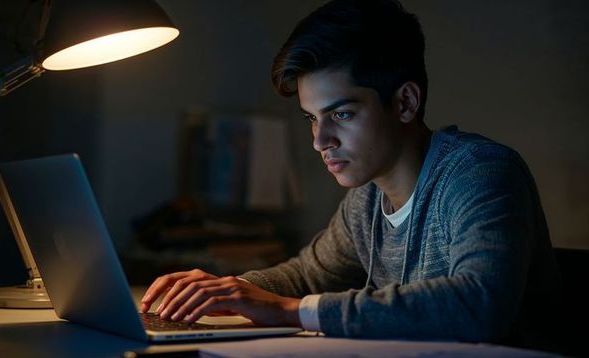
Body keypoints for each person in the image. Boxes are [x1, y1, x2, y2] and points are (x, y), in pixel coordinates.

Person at [140, 0, 562, 351]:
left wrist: (289, 310)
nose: (320, 140)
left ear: (405, 102)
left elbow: (479, 304)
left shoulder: (480, 173)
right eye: (312, 118)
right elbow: (306, 276)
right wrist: (229, 290)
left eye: (341, 114)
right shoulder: (367, 198)